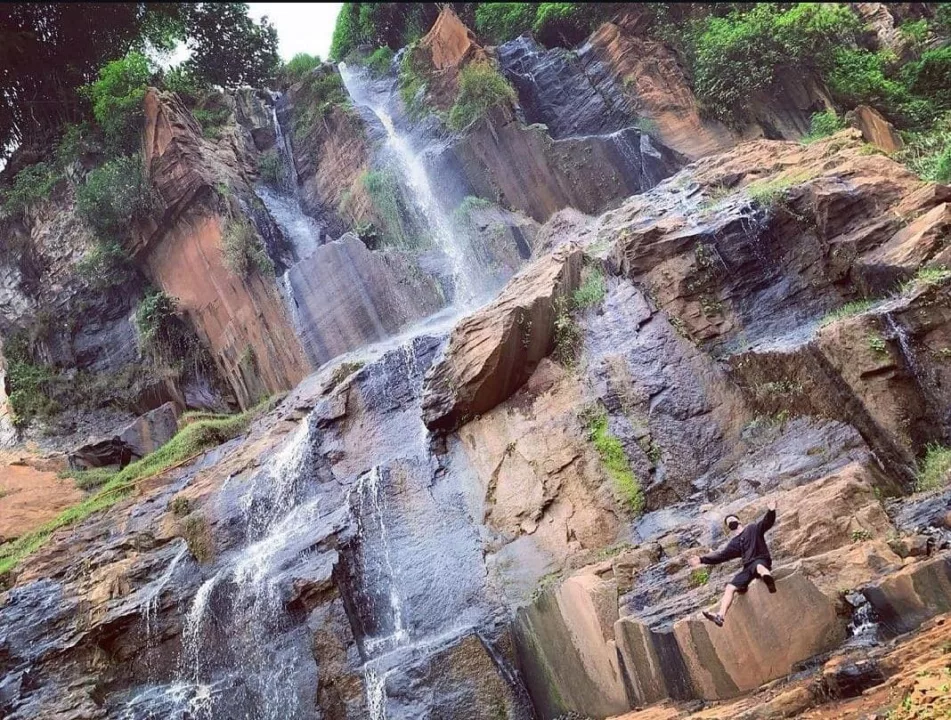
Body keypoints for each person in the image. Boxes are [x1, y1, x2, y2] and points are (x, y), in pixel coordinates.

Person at [688, 500, 778, 627]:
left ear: (739, 521)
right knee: (730, 587)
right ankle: (720, 616)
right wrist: (702, 560)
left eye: (731, 519)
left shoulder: (752, 528)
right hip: (748, 567)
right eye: (728, 522)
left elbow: (766, 523)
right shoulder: (734, 543)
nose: (730, 522)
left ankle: (769, 581)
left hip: (760, 559)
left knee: (759, 567)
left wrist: (771, 510)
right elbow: (721, 556)